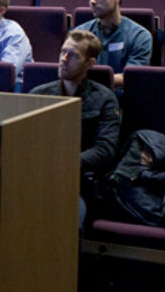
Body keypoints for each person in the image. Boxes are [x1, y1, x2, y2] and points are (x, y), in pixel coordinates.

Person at [29, 30, 121, 231]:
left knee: (68, 221)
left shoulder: (105, 98)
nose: (63, 59)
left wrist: (63, 163)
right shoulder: (39, 94)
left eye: (73, 55)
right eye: (63, 52)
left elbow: (105, 149)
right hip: (35, 177)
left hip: (76, 181)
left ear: (90, 63)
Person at [74, 0, 152, 87]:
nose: (92, 1)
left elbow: (132, 76)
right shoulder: (80, 33)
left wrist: (90, 79)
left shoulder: (140, 36)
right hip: (86, 94)